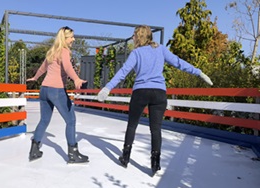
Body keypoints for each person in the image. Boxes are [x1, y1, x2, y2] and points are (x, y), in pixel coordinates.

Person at [97, 25, 213, 175]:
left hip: (141, 92)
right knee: (156, 129)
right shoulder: (161, 49)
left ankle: (125, 158)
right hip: (159, 93)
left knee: (132, 125)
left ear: (139, 36)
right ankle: (155, 163)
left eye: (134, 35)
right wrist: (199, 72)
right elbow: (178, 62)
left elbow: (123, 72)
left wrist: (108, 88)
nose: (132, 38)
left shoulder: (136, 53)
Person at [26, 26, 89, 164]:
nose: (73, 39)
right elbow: (68, 67)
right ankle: (73, 154)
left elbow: (43, 68)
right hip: (56, 90)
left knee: (44, 120)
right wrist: (76, 79)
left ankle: (34, 150)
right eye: (71, 37)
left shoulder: (52, 51)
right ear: (64, 38)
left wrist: (35, 78)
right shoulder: (64, 51)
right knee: (71, 120)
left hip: (44, 89)